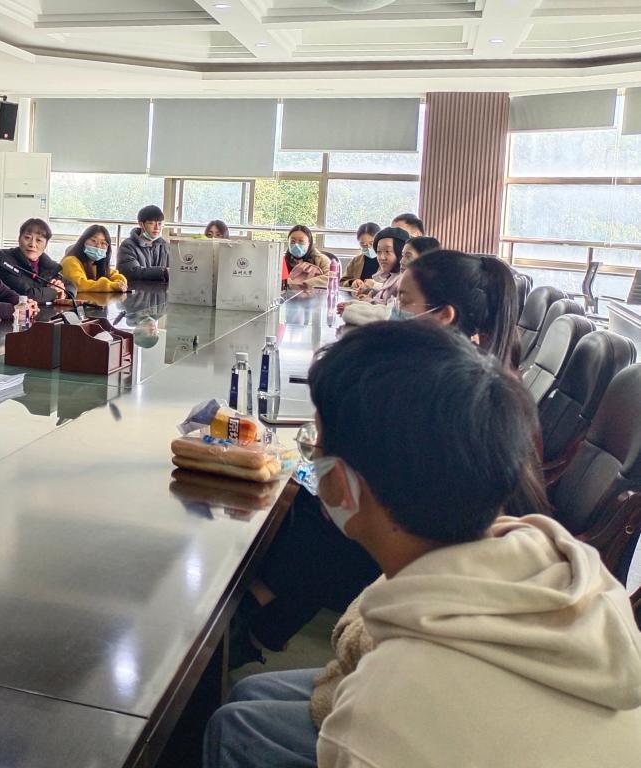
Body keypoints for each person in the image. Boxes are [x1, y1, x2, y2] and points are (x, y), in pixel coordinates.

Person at [206, 321, 641, 768]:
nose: (313, 459)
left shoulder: (381, 720)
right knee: (248, 694)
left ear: (342, 485)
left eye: (317, 446)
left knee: (235, 725)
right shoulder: (555, 562)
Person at [234, 247, 528, 666]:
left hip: (430, 549)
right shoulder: (457, 371)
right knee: (307, 503)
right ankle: (257, 622)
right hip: (438, 539)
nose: (392, 309)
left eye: (404, 300)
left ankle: (253, 621)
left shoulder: (463, 392)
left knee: (316, 517)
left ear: (444, 316)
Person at [0, 218, 68, 304]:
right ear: (19, 239)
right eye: (27, 238)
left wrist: (63, 290)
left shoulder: (49, 265)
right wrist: (54, 292)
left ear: (46, 245)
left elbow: (70, 285)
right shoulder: (5, 260)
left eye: (39, 240)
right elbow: (27, 295)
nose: (32, 244)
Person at [61, 225, 128, 294]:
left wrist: (120, 283)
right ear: (83, 241)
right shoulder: (70, 261)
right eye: (93, 241)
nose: (98, 246)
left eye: (103, 243)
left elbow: (114, 275)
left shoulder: (96, 263)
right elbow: (79, 285)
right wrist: (111, 286)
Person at [117, 205, 170, 283]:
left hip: (162, 290)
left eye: (159, 224)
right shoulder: (128, 246)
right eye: (151, 223)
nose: (157, 228)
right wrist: (164, 272)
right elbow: (132, 272)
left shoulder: (165, 246)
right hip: (136, 289)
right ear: (141, 224)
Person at [284, 225, 332, 289]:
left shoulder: (321, 260)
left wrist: (304, 284)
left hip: (315, 294)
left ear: (309, 243)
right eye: (292, 241)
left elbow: (331, 278)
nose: (296, 245)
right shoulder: (282, 260)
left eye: (301, 241)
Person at [339, 222, 380, 288]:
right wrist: (352, 282)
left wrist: (375, 285)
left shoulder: (387, 261)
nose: (368, 247)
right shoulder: (356, 261)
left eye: (371, 243)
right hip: (357, 294)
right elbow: (341, 283)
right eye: (363, 244)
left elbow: (393, 286)